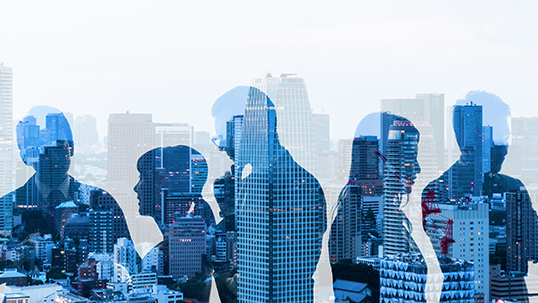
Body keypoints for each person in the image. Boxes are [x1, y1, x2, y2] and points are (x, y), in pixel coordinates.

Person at [3, 106, 129, 241]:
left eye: (59, 148)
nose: (53, 158)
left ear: (72, 148)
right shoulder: (6, 206)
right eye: (43, 150)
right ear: (25, 156)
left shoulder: (102, 200)